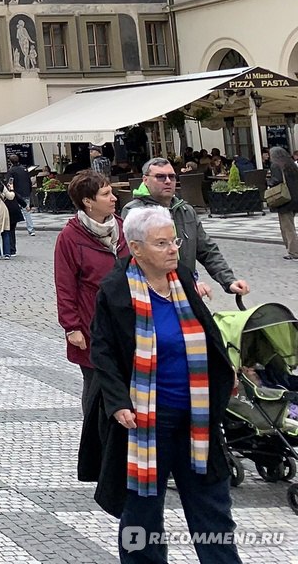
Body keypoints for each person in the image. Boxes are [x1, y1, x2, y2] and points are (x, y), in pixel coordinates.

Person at [79, 206, 241, 564]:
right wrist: (119, 402)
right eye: (162, 243)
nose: (173, 249)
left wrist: (227, 373)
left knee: (213, 510)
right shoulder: (116, 290)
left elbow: (208, 334)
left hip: (197, 420)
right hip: (145, 424)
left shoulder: (181, 279)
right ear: (136, 248)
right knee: (141, 516)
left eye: (175, 241)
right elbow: (102, 351)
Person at [123, 158, 250, 300]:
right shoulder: (134, 212)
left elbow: (207, 250)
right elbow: (130, 259)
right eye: (160, 177)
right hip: (150, 294)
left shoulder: (186, 210)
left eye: (171, 176)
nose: (167, 181)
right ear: (145, 180)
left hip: (187, 290)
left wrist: (229, 281)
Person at [55, 170, 129, 415]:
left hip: (127, 320)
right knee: (96, 384)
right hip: (91, 322)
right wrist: (72, 327)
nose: (114, 198)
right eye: (106, 194)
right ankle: (93, 439)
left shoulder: (122, 228)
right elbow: (65, 285)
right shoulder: (70, 237)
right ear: (88, 201)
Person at [266, 144, 298, 259]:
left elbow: (277, 180)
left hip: (284, 198)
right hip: (295, 198)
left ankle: (293, 251)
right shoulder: (291, 164)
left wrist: (269, 182)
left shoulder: (276, 165)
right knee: (290, 225)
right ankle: (292, 249)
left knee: (287, 227)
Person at [9, 154, 35, 237]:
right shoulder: (24, 169)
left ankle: (11, 228)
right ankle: (31, 230)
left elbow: (10, 183)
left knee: (12, 210)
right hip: (26, 192)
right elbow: (29, 181)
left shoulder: (11, 171)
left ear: (10, 162)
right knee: (27, 212)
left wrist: (11, 191)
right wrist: (29, 190)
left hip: (16, 194)